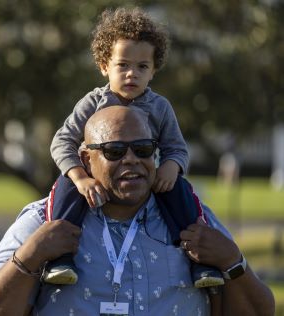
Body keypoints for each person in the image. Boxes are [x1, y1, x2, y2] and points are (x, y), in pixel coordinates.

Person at [0, 106, 275, 316]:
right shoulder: (45, 220)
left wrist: (233, 262)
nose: (131, 160)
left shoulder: (194, 220)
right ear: (86, 160)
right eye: (114, 151)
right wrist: (31, 255)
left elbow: (260, 310)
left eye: (142, 150)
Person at [44, 6, 222, 288]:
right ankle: (59, 259)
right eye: (123, 65)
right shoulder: (93, 103)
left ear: (153, 71)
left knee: (182, 192)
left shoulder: (160, 107)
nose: (132, 74)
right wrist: (80, 177)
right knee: (64, 190)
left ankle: (199, 262)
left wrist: (170, 167)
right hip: (97, 178)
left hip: (146, 178)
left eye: (142, 67)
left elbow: (177, 148)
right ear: (104, 65)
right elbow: (62, 141)